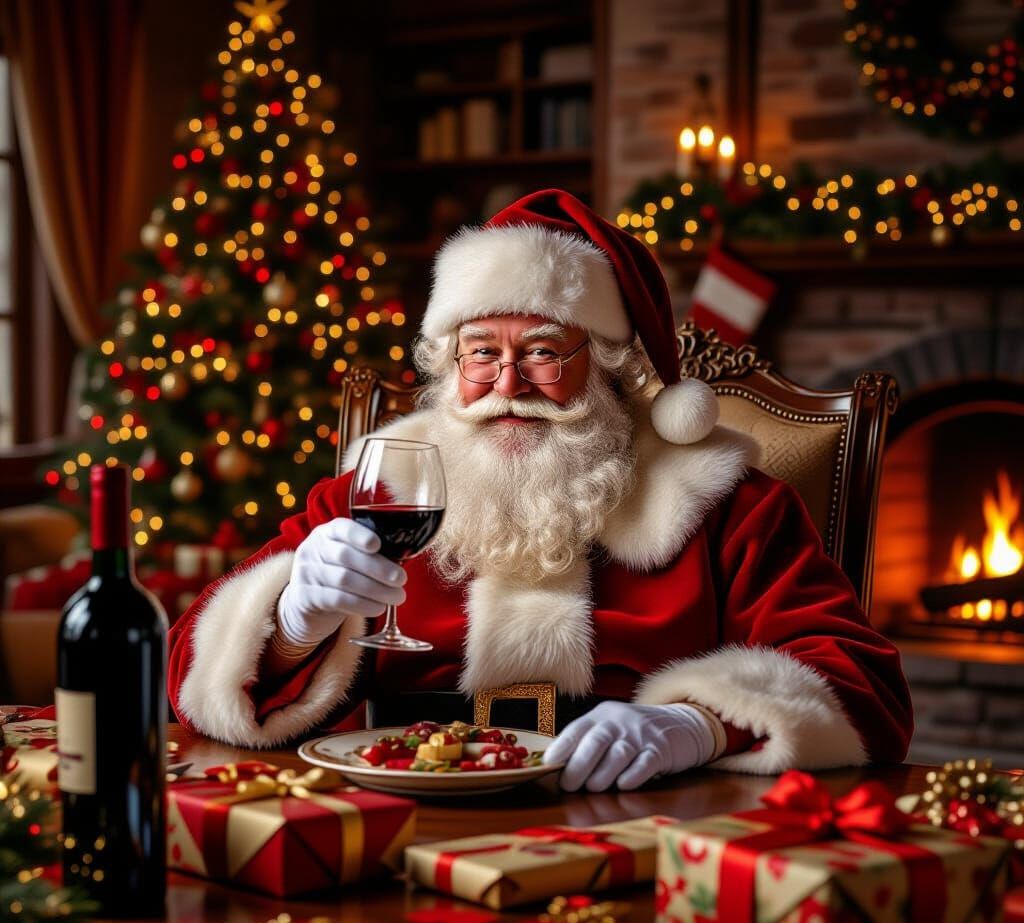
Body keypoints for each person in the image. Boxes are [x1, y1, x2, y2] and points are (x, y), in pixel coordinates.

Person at [167, 188, 912, 792]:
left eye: (545, 353)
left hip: (639, 820)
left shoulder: (725, 503)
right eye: (480, 353)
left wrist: (699, 724)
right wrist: (294, 622)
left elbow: (862, 682)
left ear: (610, 365)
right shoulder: (379, 491)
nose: (509, 384)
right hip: (397, 818)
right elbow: (186, 674)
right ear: (446, 365)